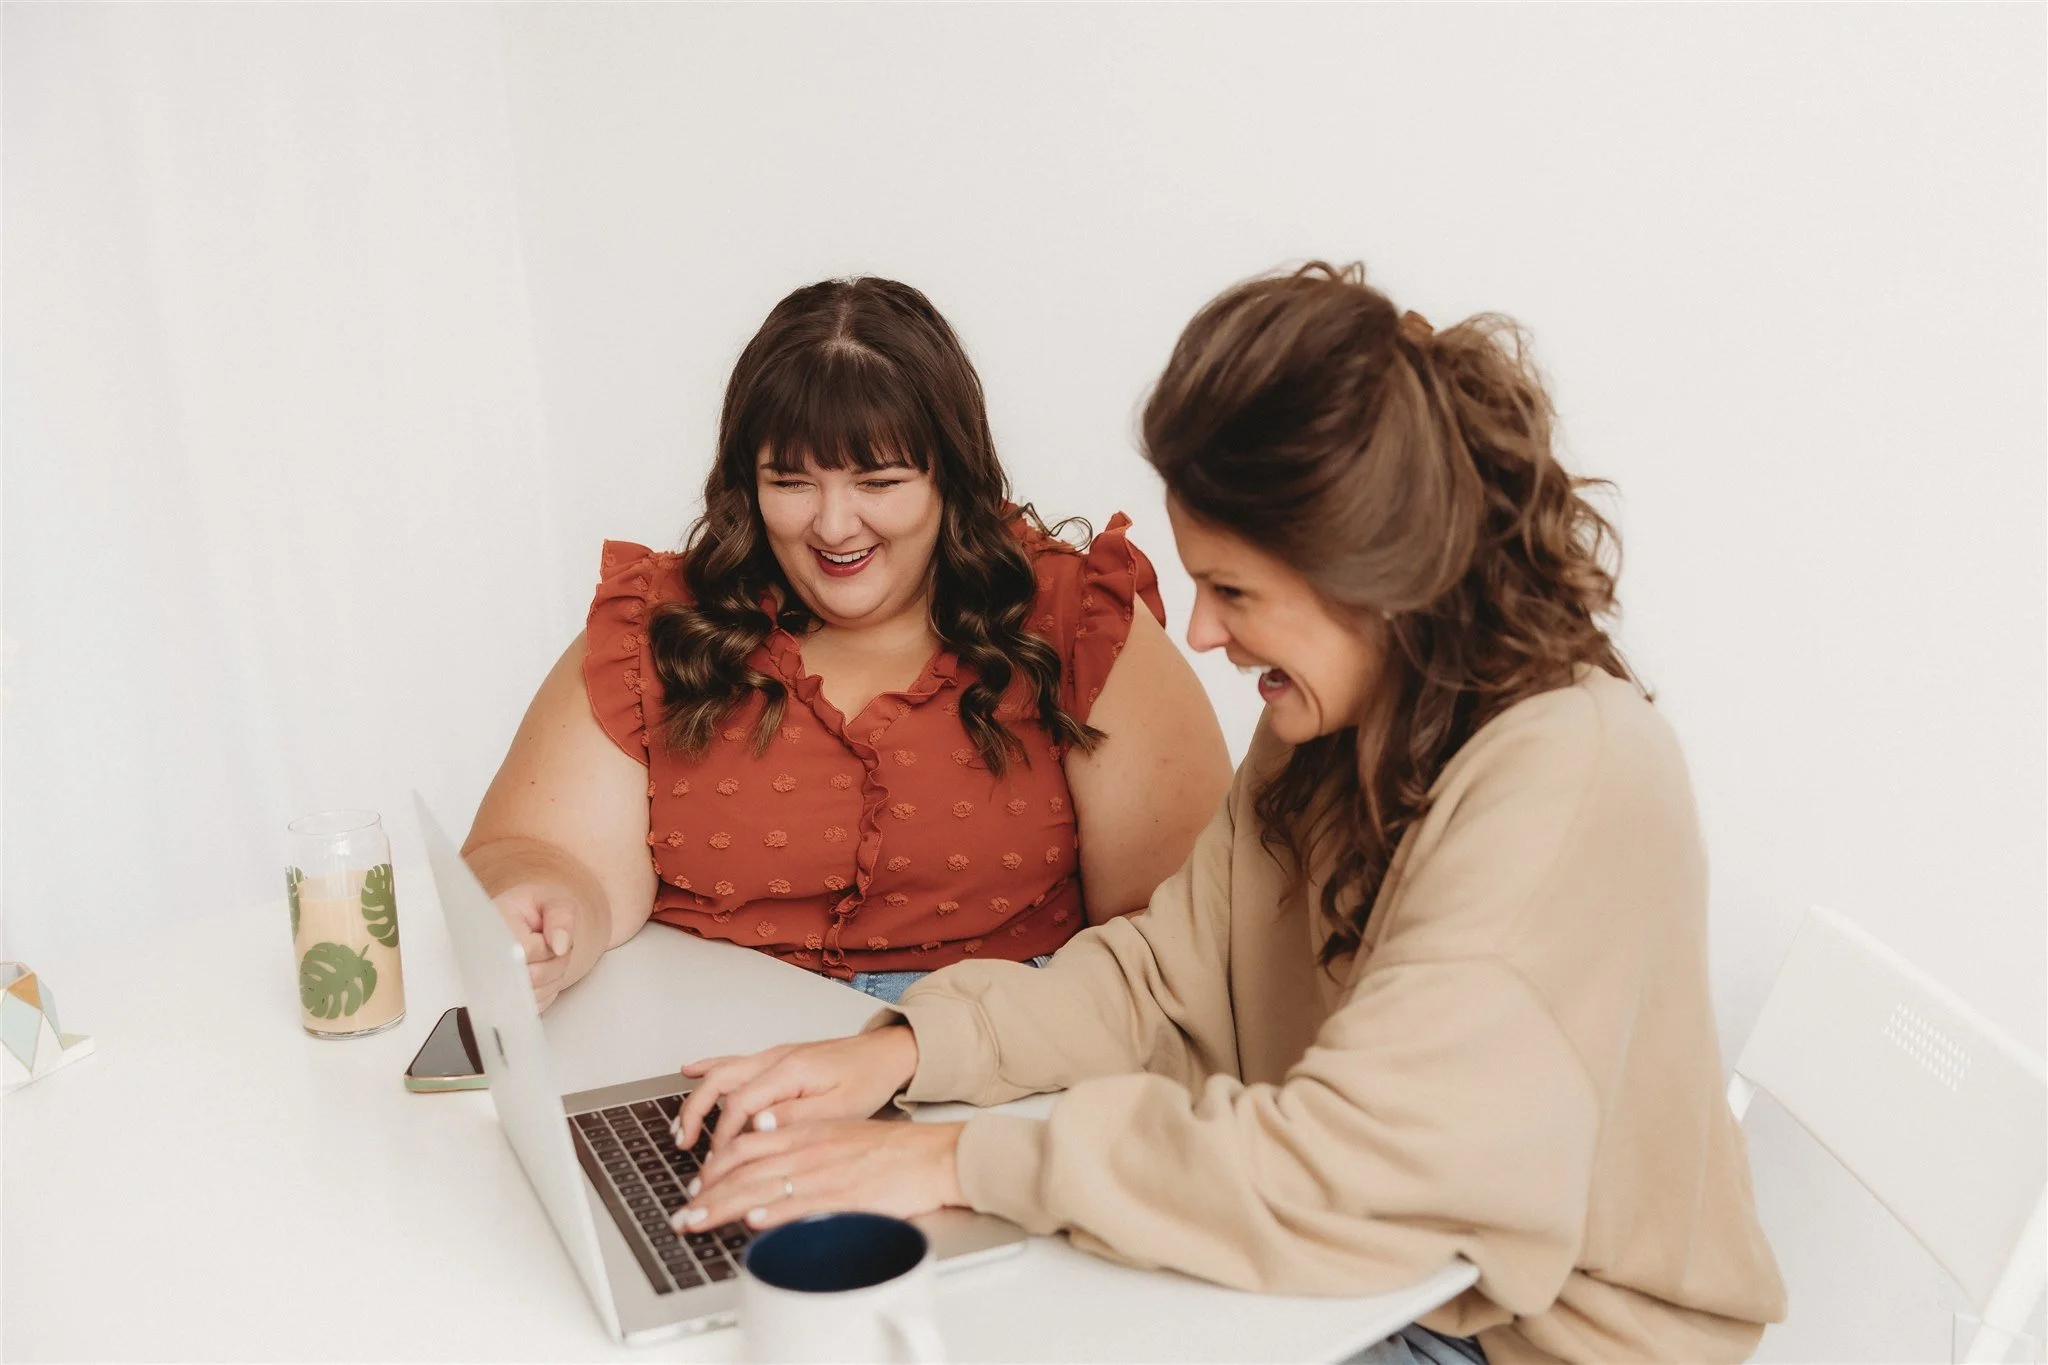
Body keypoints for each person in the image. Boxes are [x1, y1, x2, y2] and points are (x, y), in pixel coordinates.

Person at [664, 264, 1789, 1364]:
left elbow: (1365, 1174)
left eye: (1233, 592)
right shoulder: (1334, 718)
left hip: (1517, 1336)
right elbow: (1165, 977)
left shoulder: (1566, 777)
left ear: (1373, 571)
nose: (1198, 633)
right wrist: (906, 1054)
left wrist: (968, 1167)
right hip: (1370, 1276)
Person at [463, 277, 1230, 1008]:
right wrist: (543, 909)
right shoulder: (658, 625)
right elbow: (540, 854)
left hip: (993, 1067)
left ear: (949, 477)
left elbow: (1176, 930)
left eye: (879, 481)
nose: (833, 526)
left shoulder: (1075, 620)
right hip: (714, 1058)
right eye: (792, 482)